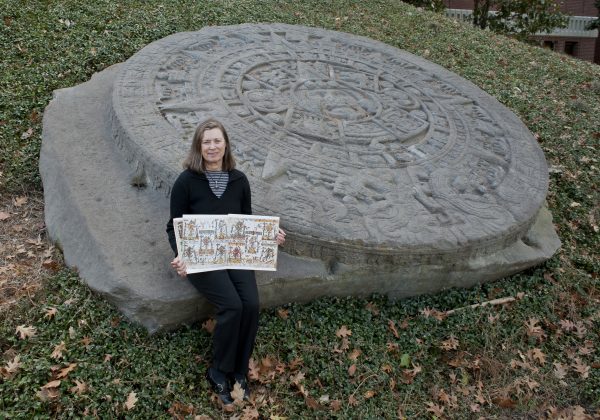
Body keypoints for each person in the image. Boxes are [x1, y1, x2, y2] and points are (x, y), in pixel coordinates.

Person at [166, 119, 285, 407]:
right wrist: (181, 255)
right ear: (198, 146)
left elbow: (245, 220)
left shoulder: (239, 180)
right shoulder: (186, 181)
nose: (212, 146)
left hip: (235, 254)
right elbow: (174, 226)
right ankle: (219, 369)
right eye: (206, 142)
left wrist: (270, 236)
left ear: (225, 144)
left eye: (216, 141)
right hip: (201, 256)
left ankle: (239, 370)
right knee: (232, 306)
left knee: (251, 305)